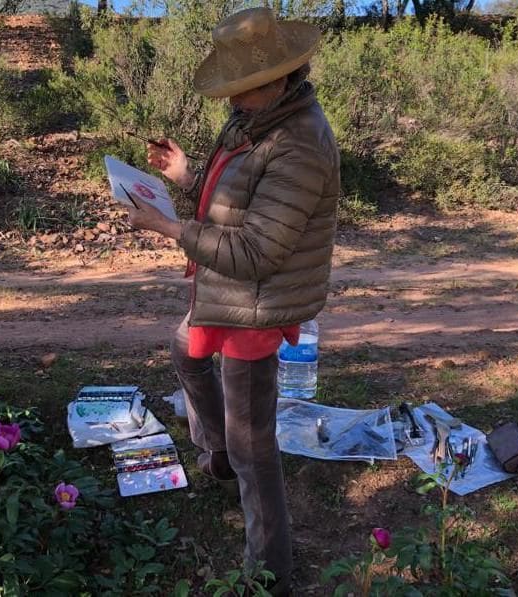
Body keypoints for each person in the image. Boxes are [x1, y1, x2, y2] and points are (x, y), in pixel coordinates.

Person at [124, 7, 339, 595]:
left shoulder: (298, 144)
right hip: (225, 292)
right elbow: (235, 204)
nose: (233, 100)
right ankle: (216, 453)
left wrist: (168, 230)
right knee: (185, 354)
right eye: (231, 89)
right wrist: (186, 174)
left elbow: (255, 252)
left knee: (255, 446)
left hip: (255, 302)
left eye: (243, 89)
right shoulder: (259, 120)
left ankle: (269, 574)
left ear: (282, 76)